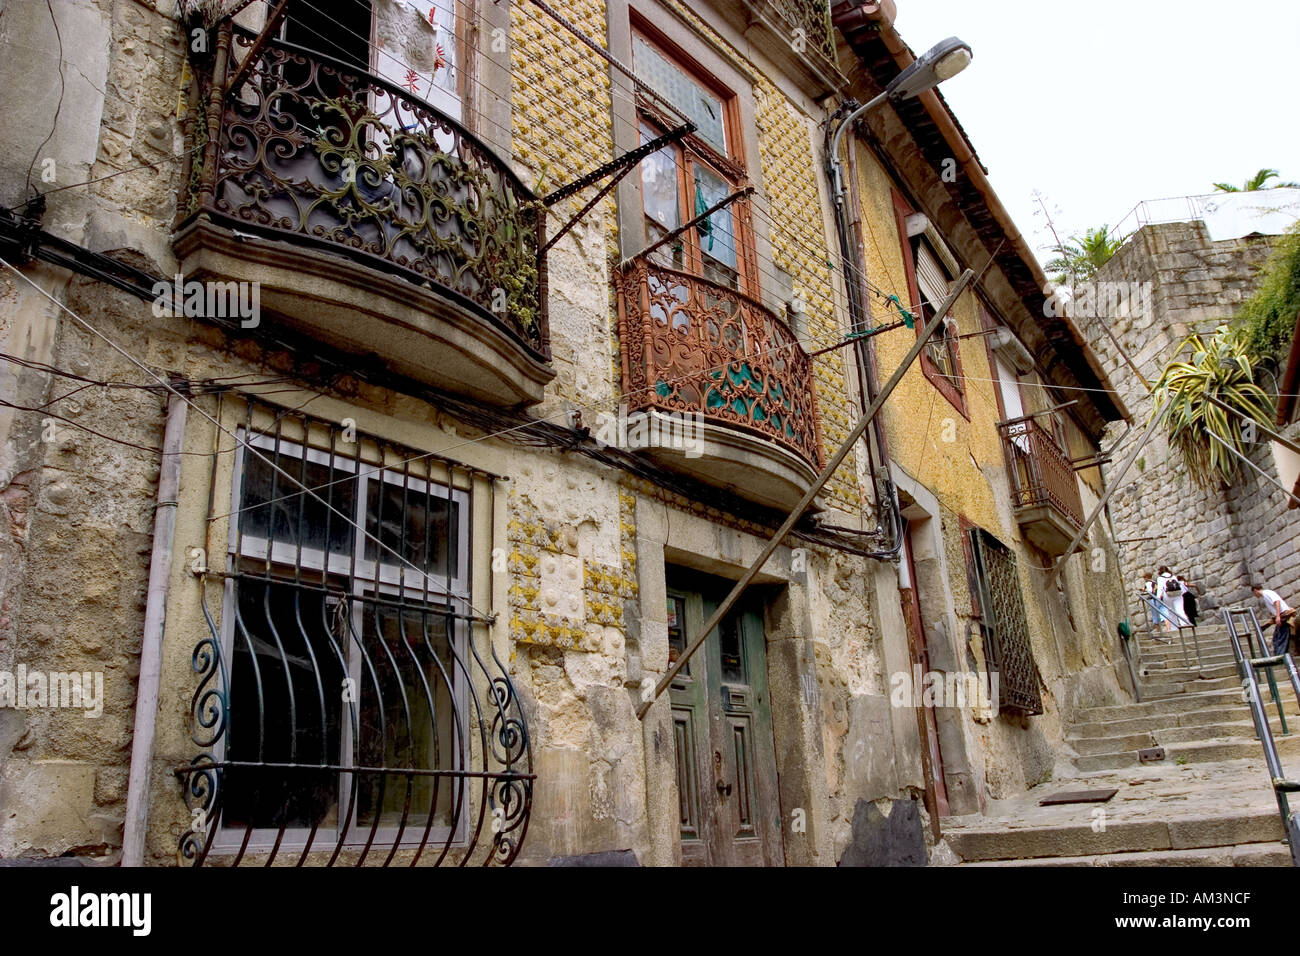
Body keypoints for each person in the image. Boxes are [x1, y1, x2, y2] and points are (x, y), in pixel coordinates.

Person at [1252, 583, 1294, 656]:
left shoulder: (1267, 593)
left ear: (1255, 590)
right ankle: (1280, 655)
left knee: (1280, 637)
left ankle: (1281, 656)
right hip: (1281, 616)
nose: (1255, 595)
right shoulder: (1266, 594)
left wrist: (1278, 617)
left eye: (1254, 593)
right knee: (1277, 637)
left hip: (1283, 615)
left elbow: (1277, 602)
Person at [1156, 565, 1185, 631]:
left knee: (1171, 612)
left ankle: (1174, 628)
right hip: (1177, 594)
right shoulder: (1173, 576)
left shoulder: (1160, 578)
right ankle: (1184, 623)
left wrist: (1158, 598)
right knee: (1180, 609)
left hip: (1168, 596)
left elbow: (1160, 589)